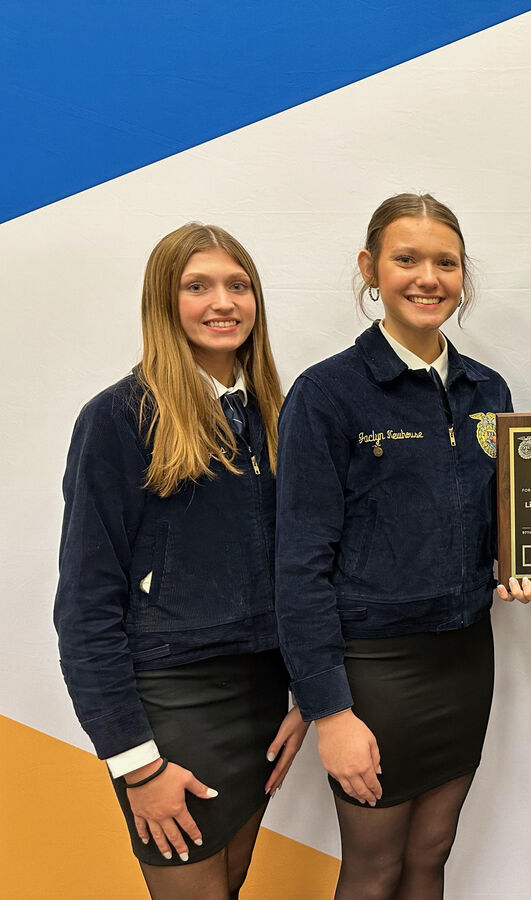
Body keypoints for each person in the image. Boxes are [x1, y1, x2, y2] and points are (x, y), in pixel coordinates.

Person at [275, 193, 531, 899]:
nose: (428, 278)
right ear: (370, 269)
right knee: (373, 872)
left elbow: (498, 522)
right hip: (374, 673)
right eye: (407, 259)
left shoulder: (487, 390)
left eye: (446, 263)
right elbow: (299, 565)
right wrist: (328, 710)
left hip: (465, 660)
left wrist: (527, 562)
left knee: (431, 857)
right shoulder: (327, 394)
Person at [54, 223, 308, 898]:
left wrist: (309, 690)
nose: (222, 302)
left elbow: (302, 567)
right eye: (198, 286)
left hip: (262, 698)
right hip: (172, 706)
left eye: (238, 285)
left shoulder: (277, 414)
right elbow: (85, 606)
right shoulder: (117, 417)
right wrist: (136, 764)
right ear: (164, 303)